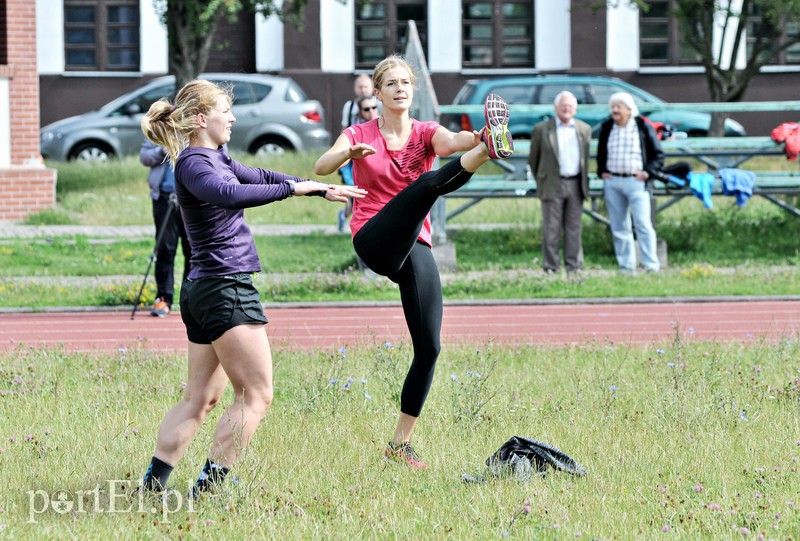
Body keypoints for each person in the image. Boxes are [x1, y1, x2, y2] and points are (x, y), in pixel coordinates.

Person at [136, 79, 366, 497]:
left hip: (207, 288)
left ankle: (152, 488)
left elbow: (256, 174)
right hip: (225, 288)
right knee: (257, 394)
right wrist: (295, 188)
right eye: (227, 110)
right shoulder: (193, 164)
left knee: (200, 399)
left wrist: (314, 186)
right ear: (203, 118)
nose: (234, 118)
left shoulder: (215, 156)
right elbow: (228, 194)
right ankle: (209, 489)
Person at [314, 54, 513, 469]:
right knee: (425, 187)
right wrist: (348, 153)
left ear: (412, 90)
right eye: (391, 84)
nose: (400, 88)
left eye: (406, 82)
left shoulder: (425, 132)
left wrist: (475, 137)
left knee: (430, 347)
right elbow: (321, 167)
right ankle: (488, 151)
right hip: (373, 237)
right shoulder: (359, 131)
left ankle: (399, 446)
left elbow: (452, 143)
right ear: (378, 91)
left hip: (412, 245)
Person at [596, 92, 664, 274]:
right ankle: (626, 267)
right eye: (613, 106)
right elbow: (601, 151)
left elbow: (657, 154)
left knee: (643, 224)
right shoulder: (607, 126)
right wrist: (601, 170)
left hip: (636, 181)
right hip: (613, 180)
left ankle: (651, 265)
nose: (615, 110)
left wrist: (648, 173)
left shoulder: (642, 126)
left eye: (619, 106)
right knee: (619, 226)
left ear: (629, 109)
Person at [528, 91, 591, 274]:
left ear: (575, 108)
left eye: (570, 105)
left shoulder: (584, 129)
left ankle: (574, 267)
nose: (566, 108)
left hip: (575, 184)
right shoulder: (542, 129)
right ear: (556, 108)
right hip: (551, 183)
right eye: (563, 105)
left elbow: (586, 159)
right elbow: (533, 160)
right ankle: (550, 267)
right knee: (551, 229)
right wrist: (542, 179)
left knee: (574, 229)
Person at [140, 140, 192, 317]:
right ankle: (163, 298)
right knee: (164, 249)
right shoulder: (160, 125)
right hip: (163, 197)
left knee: (194, 251)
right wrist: (162, 150)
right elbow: (144, 157)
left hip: (194, 198)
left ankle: (191, 299)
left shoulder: (200, 122)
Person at [338, 94, 381, 232]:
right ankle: (346, 218)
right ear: (360, 111)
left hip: (374, 170)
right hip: (353, 167)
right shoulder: (356, 130)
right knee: (355, 194)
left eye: (374, 107)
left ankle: (345, 216)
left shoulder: (384, 125)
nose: (371, 112)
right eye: (366, 109)